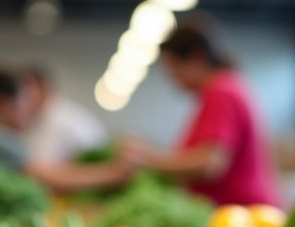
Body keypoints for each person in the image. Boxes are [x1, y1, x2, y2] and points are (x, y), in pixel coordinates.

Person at [120, 19, 282, 207]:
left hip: (244, 216)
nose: (172, 77)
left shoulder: (221, 90)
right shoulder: (225, 88)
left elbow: (210, 164)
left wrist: (148, 160)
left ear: (198, 57)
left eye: (174, 66)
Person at [0, 72, 127, 193]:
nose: (29, 111)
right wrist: (114, 172)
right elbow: (49, 179)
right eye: (24, 103)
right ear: (1, 105)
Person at [21, 68, 108, 163]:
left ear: (42, 88)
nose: (21, 99)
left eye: (26, 92)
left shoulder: (56, 120)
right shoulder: (61, 111)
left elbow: (43, 166)